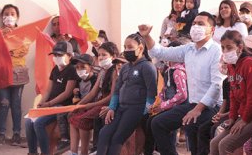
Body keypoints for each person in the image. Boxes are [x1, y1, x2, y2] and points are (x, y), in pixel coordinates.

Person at [139, 11, 224, 155]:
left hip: (211, 106)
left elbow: (216, 85)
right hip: (192, 104)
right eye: (195, 23)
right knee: (157, 123)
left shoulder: (216, 51)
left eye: (201, 24)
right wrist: (146, 36)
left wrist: (198, 109)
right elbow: (159, 53)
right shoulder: (189, 49)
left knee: (195, 129)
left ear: (212, 30)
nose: (196, 26)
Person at [209, 30, 252, 155]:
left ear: (240, 47)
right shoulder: (231, 65)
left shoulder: (250, 64)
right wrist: (232, 117)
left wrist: (244, 120)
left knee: (225, 145)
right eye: (223, 47)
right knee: (214, 143)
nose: (225, 51)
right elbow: (233, 94)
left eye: (229, 47)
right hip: (244, 114)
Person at [96, 33, 157, 154]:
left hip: (136, 109)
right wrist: (112, 108)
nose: (126, 50)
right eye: (125, 47)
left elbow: (152, 94)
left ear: (140, 48)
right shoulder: (125, 67)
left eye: (130, 47)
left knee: (117, 138)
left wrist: (144, 114)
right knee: (104, 133)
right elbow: (117, 90)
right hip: (120, 108)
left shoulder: (147, 67)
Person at [25, 41, 78, 155]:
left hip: (62, 107)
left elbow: (67, 93)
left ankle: (45, 153)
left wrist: (49, 104)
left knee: (38, 124)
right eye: (55, 55)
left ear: (69, 55)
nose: (56, 58)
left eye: (60, 55)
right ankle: (32, 152)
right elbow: (48, 90)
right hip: (50, 105)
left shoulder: (72, 70)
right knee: (28, 121)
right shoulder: (55, 69)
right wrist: (41, 104)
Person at [68, 42, 119, 155]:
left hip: (107, 104)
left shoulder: (115, 71)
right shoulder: (102, 71)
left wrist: (90, 105)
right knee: (72, 115)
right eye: (99, 55)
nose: (101, 57)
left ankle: (84, 152)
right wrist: (79, 105)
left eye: (104, 55)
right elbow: (93, 93)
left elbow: (111, 96)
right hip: (98, 102)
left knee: (82, 119)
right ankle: (73, 152)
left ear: (113, 56)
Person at [143, 40, 188, 155]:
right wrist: (158, 103)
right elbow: (165, 90)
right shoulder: (169, 70)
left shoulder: (178, 71)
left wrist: (163, 106)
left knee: (160, 125)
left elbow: (182, 95)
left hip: (178, 108)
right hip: (169, 106)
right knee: (150, 121)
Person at [0, 4, 30, 146]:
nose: (9, 16)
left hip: (18, 73)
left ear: (17, 17)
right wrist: (3, 37)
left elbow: (23, 50)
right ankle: (1, 134)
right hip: (2, 73)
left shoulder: (23, 33)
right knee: (3, 103)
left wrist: (9, 46)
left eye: (12, 13)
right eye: (6, 13)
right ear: (2, 17)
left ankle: (16, 134)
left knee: (16, 104)